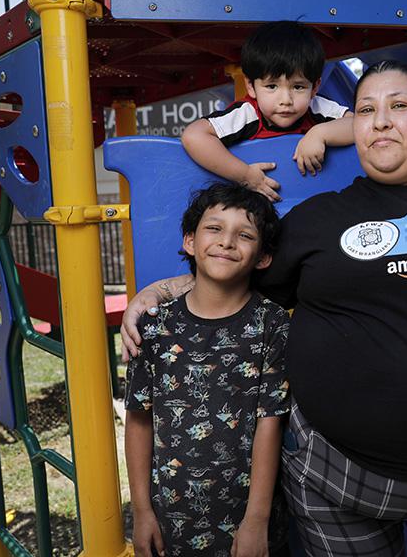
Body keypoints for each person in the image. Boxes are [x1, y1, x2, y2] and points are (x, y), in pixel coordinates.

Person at [122, 60, 407, 556]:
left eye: (398, 106)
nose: (380, 121)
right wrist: (162, 290)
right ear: (352, 126)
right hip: (335, 479)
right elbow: (238, 278)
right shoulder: (318, 220)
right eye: (366, 110)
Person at [124, 182, 291, 557]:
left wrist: (257, 520)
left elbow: (271, 422)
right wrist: (141, 510)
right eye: (214, 228)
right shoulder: (153, 326)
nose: (227, 242)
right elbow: (138, 420)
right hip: (169, 521)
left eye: (244, 234)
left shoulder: (272, 324)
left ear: (262, 257)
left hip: (247, 523)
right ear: (189, 241)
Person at [181, 20, 354, 202]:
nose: (286, 100)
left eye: (298, 87)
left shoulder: (317, 108)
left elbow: (361, 124)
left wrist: (319, 134)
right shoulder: (248, 113)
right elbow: (194, 136)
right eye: (272, 86)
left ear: (315, 87)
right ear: (251, 87)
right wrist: (244, 175)